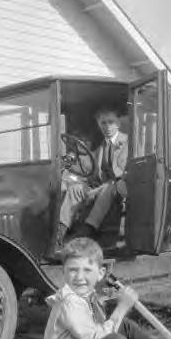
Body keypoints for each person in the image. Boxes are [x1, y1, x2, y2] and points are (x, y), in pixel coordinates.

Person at [43, 237, 171, 339]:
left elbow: (96, 302)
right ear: (63, 272)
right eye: (73, 270)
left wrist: (113, 294)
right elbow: (92, 338)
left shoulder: (81, 295)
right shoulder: (69, 301)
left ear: (100, 274)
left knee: (123, 325)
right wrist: (122, 307)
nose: (80, 277)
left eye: (87, 270)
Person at [51, 106, 128, 253]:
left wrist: (97, 190)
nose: (107, 126)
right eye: (103, 123)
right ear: (99, 124)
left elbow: (123, 174)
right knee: (75, 190)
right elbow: (93, 174)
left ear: (118, 123)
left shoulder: (127, 142)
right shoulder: (101, 148)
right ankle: (60, 234)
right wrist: (75, 181)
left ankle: (88, 229)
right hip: (102, 186)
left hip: (122, 187)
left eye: (111, 122)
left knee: (110, 186)